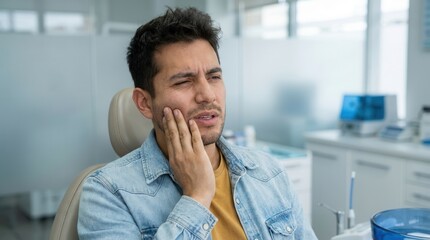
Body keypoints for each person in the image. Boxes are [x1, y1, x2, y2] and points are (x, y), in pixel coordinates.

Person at [78, 7, 317, 240]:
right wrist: (197, 196)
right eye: (184, 81)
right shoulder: (107, 193)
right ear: (145, 103)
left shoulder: (268, 172)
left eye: (214, 77)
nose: (207, 95)